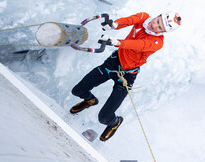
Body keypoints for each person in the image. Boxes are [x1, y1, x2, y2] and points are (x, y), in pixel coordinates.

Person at [70, 11, 181, 141]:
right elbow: (129, 20)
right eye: (157, 21)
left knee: (104, 118)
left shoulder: (157, 42)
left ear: (163, 32)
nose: (155, 26)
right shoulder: (144, 17)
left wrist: (118, 43)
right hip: (113, 63)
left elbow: (139, 45)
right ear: (156, 16)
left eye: (160, 27)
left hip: (127, 76)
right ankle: (90, 100)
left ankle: (115, 122)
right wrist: (114, 25)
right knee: (78, 90)